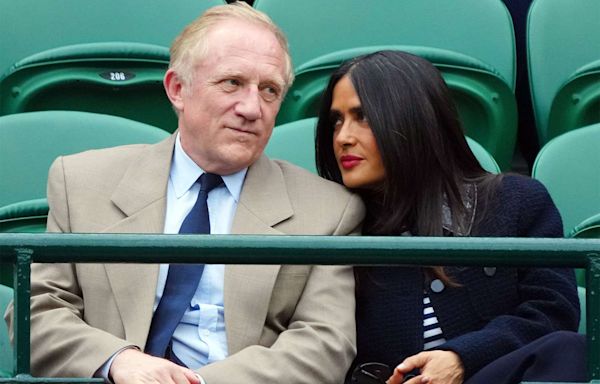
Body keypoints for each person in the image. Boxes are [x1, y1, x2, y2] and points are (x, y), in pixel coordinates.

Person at [4, 3, 365, 384]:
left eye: (270, 90)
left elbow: (325, 343)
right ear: (178, 89)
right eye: (232, 83)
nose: (251, 108)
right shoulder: (81, 181)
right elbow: (37, 312)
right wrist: (119, 362)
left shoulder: (330, 210)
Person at [314, 50, 586, 384]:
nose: (342, 137)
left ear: (412, 120)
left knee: (569, 349)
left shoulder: (516, 202)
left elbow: (553, 312)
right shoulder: (335, 227)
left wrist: (461, 358)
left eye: (363, 117)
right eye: (336, 121)